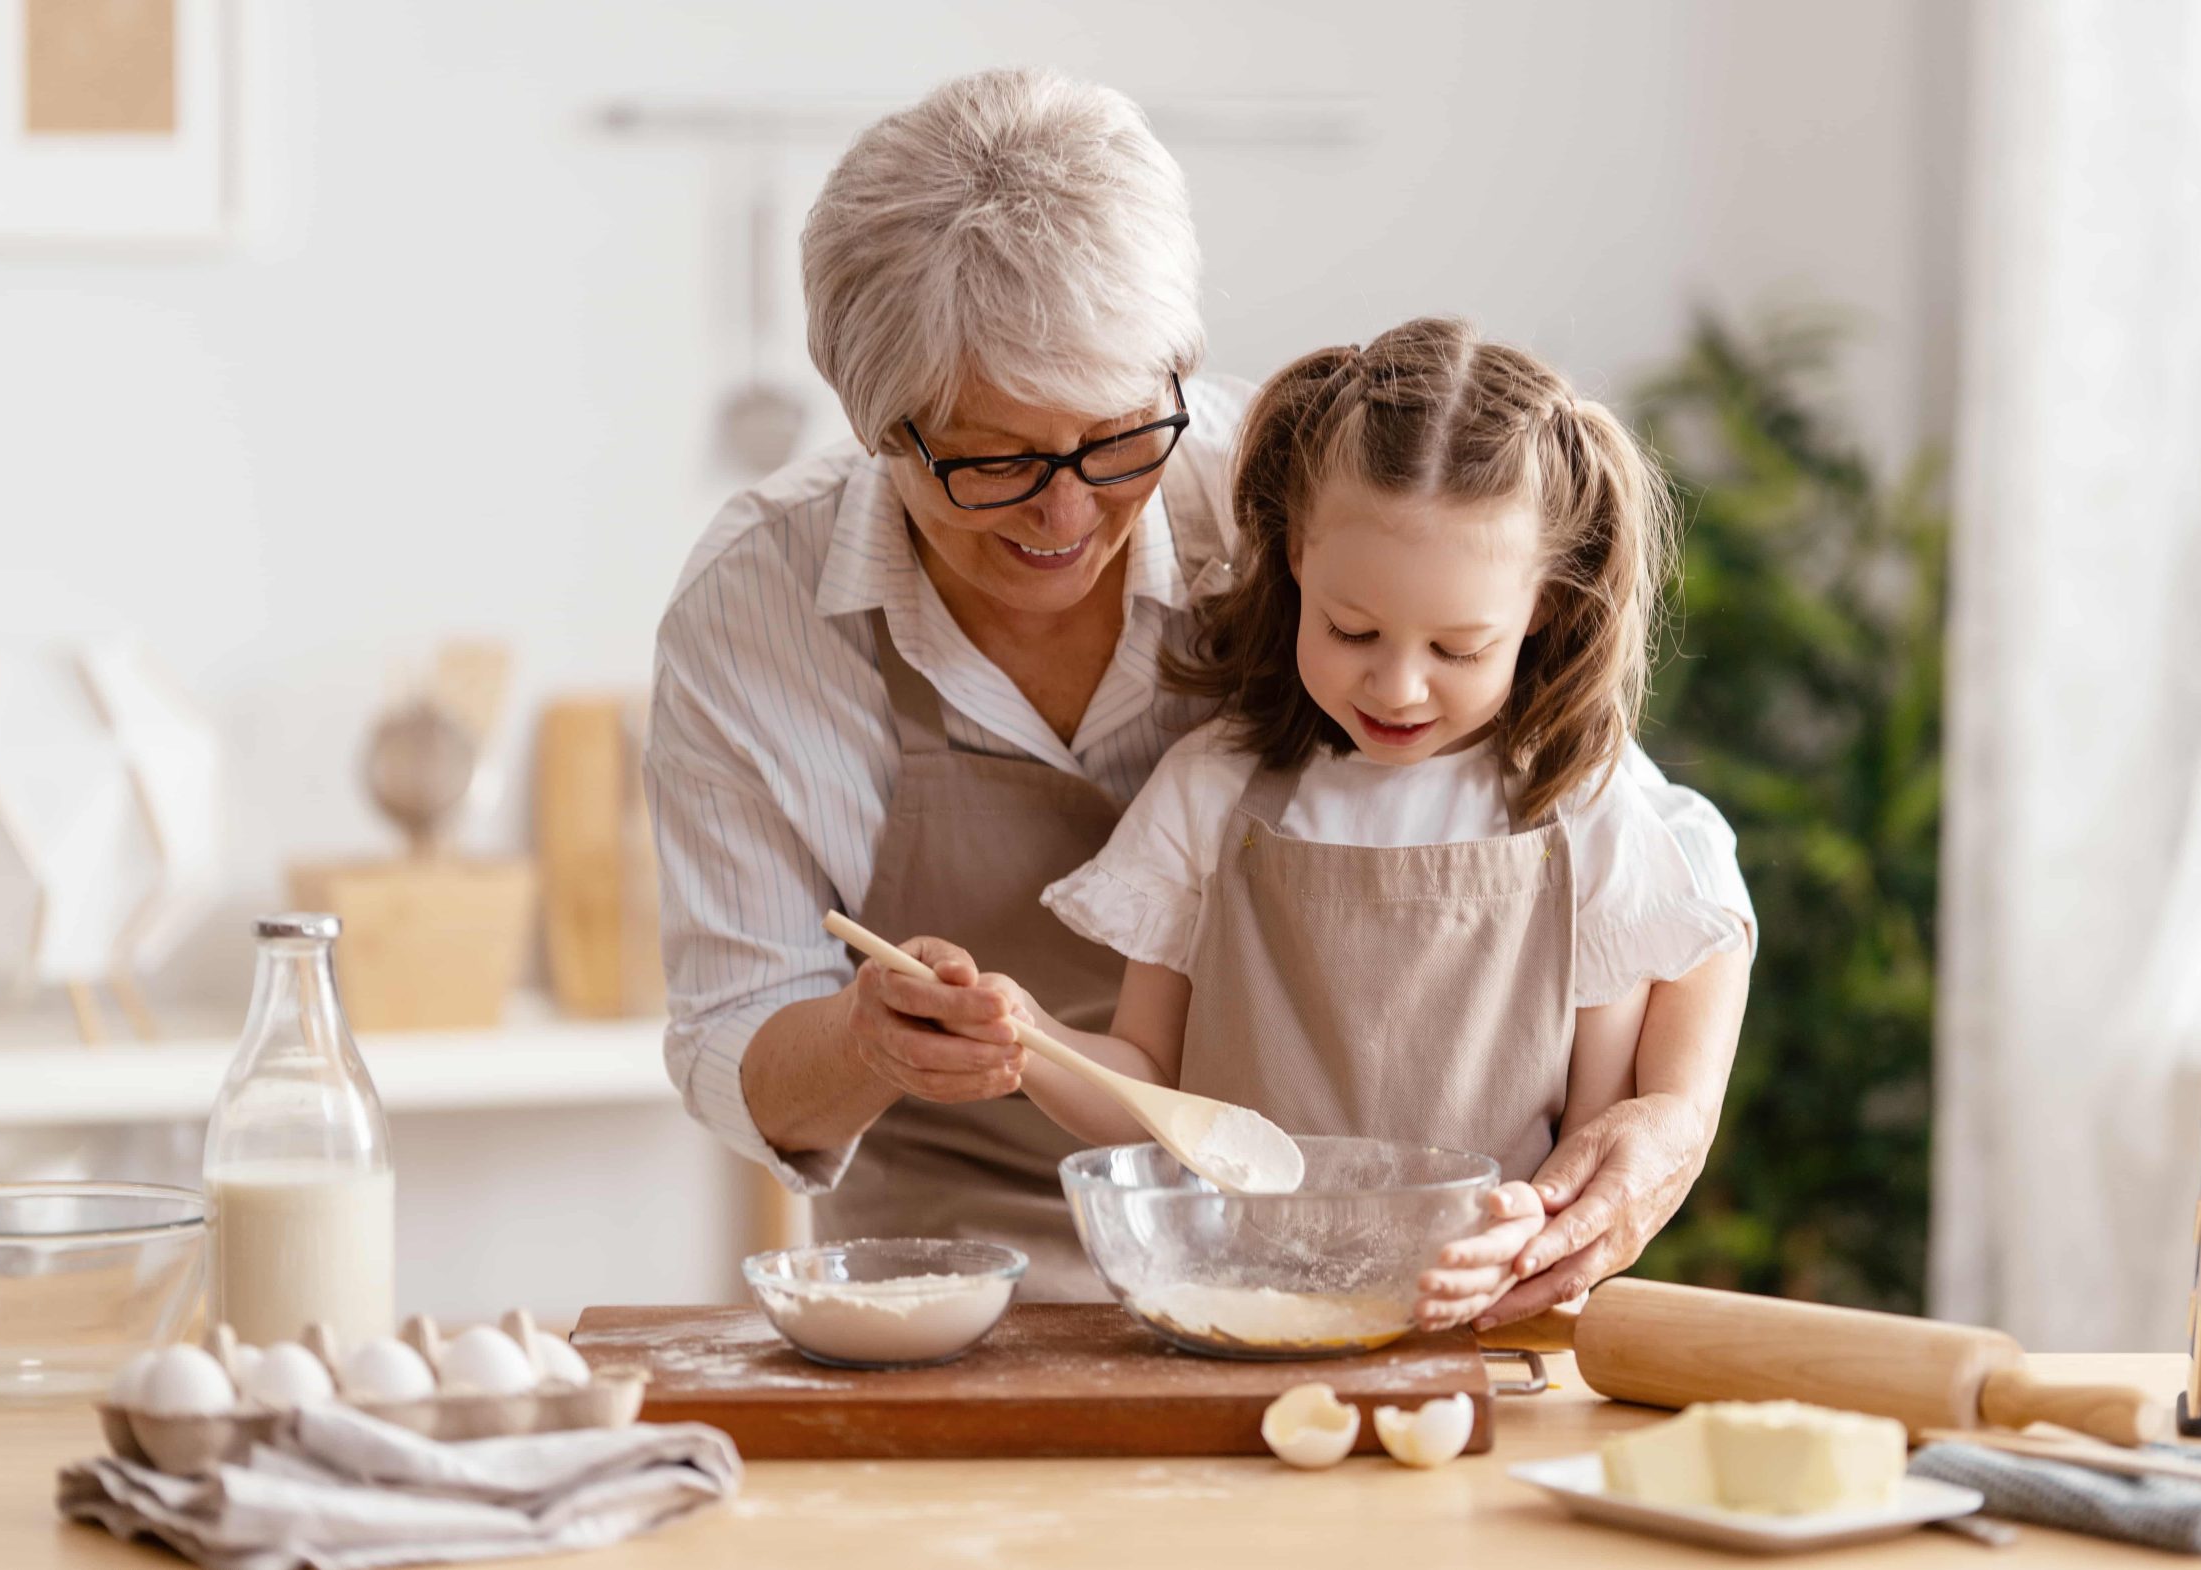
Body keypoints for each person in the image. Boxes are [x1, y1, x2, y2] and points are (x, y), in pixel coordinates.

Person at [646, 68, 1755, 1316]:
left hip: (1297, 1274)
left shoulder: (1299, 508)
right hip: (962, 1275)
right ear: (875, 427)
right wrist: (866, 1040)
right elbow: (728, 1034)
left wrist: (1668, 1119)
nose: (1066, 515)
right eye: (992, 461)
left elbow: (1656, 863)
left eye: (1115, 436)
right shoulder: (756, 612)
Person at [979, 318, 1749, 1329]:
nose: (1397, 683)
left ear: (1544, 612)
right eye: (1352, 630)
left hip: (1491, 1339)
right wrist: (1029, 1040)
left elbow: (1586, 1157)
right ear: (1296, 555)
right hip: (1240, 1324)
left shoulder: (1582, 817)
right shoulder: (1213, 793)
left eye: (1460, 647)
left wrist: (1526, 1235)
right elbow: (1152, 1088)